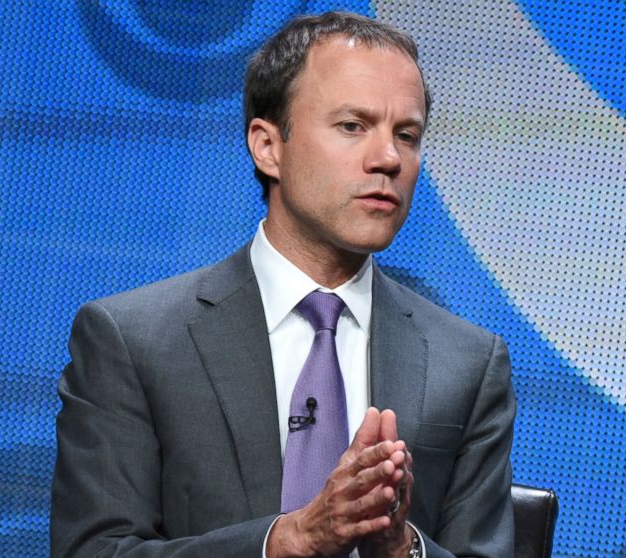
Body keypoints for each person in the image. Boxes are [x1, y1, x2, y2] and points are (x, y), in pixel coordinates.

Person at [51, 11, 515, 558]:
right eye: (353, 126)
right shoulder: (134, 342)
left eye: (407, 135)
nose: (389, 158)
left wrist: (401, 548)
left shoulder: (467, 364)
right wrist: (287, 542)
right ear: (268, 147)